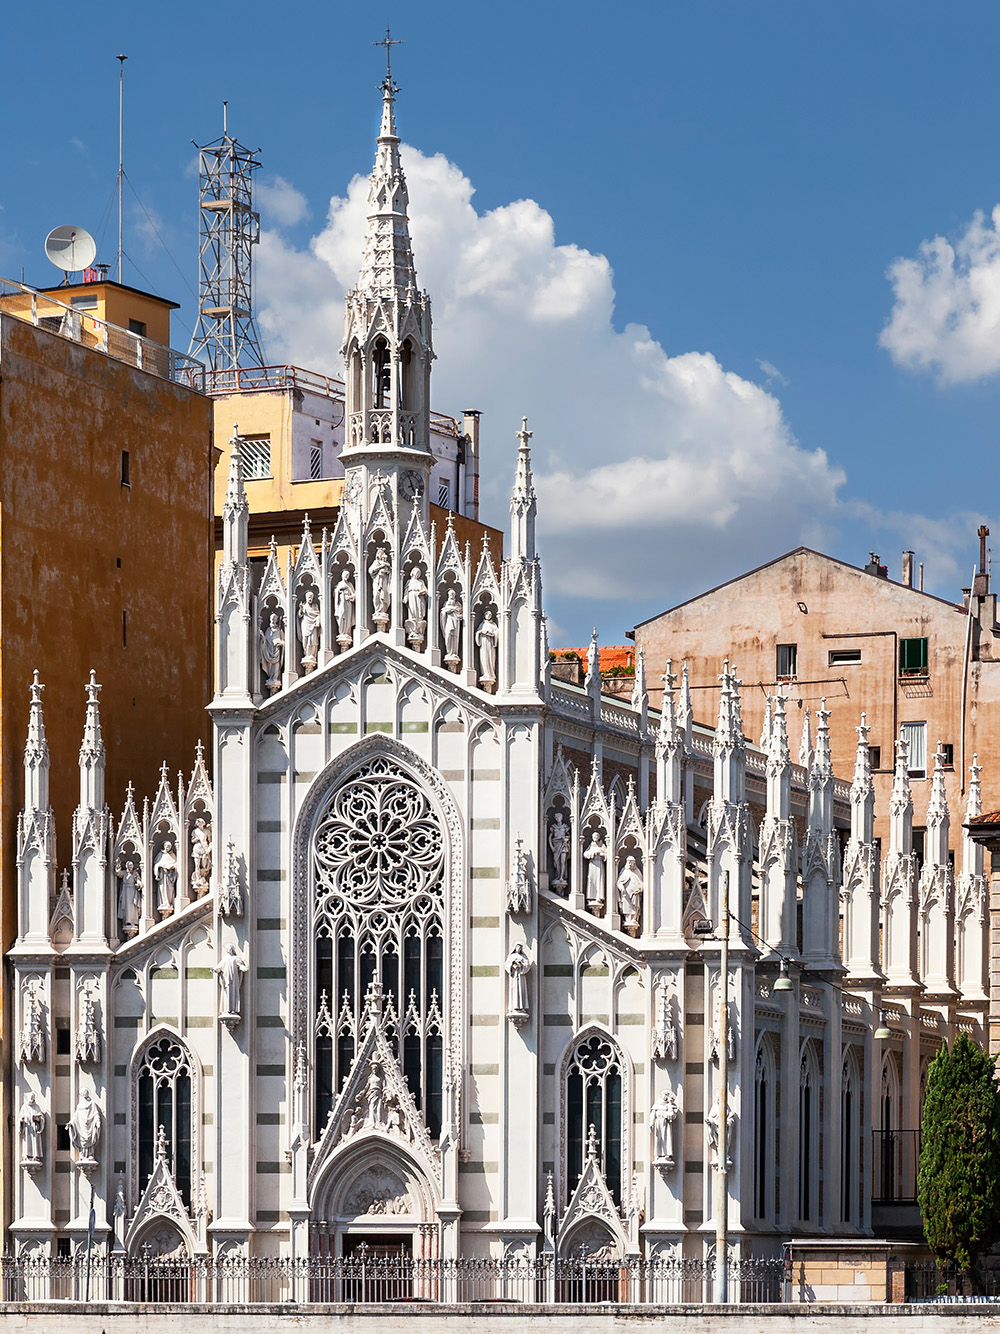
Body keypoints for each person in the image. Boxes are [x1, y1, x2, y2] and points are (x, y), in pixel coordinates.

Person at [213, 943, 248, 1019]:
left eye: (229, 949)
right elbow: (220, 966)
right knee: (226, 994)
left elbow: (240, 965)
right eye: (227, 949)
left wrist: (243, 967)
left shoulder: (236, 958)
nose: (229, 950)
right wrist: (215, 969)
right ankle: (226, 1010)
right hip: (226, 979)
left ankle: (233, 1010)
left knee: (233, 993)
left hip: (234, 979)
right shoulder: (225, 958)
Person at [68, 1088, 102, 1160]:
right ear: (81, 1094)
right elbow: (76, 1116)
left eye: (85, 1092)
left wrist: (97, 1121)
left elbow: (95, 1113)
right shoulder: (80, 1104)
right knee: (82, 1140)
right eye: (83, 1093)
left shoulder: (92, 1103)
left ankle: (90, 1154)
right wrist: (71, 1123)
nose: (84, 1093)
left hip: (90, 1124)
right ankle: (82, 1155)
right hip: (81, 1125)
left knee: (90, 1138)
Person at [651, 1090, 679, 1166]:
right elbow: (652, 1114)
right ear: (661, 1095)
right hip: (658, 1123)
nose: (666, 1097)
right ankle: (658, 1154)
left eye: (667, 1095)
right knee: (659, 1139)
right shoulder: (657, 1104)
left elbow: (672, 1116)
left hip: (666, 1124)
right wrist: (651, 1123)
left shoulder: (669, 1105)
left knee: (666, 1138)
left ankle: (667, 1154)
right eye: (665, 1095)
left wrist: (670, 1106)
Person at [583, 830, 608, 914]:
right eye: (594, 836)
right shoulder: (591, 845)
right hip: (592, 864)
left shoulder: (602, 845)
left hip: (599, 864)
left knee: (599, 881)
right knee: (591, 880)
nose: (596, 838)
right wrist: (593, 853)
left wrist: (601, 854)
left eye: (597, 836)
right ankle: (591, 897)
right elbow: (585, 854)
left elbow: (607, 854)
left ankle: (598, 897)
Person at [259, 611, 285, 690]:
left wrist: (281, 643)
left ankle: (274, 678)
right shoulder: (268, 630)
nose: (273, 620)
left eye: (274, 618)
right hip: (268, 652)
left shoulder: (279, 630)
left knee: (276, 668)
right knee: (270, 667)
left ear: (277, 620)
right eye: (272, 618)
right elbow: (266, 641)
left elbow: (284, 641)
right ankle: (271, 678)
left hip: (276, 652)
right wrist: (263, 638)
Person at [116, 857, 141, 936]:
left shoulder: (135, 873)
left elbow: (139, 881)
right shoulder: (124, 873)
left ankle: (133, 921)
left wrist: (139, 884)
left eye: (131, 866)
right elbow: (118, 873)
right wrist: (118, 865)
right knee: (126, 907)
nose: (130, 868)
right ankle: (127, 921)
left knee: (132, 906)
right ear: (126, 866)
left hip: (132, 891)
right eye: (129, 866)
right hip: (125, 891)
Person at [617, 855, 643, 931]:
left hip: (635, 892)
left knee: (636, 905)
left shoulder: (637, 871)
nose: (632, 864)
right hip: (626, 892)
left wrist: (639, 888)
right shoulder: (624, 871)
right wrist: (622, 888)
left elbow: (641, 882)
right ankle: (628, 919)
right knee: (627, 906)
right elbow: (619, 882)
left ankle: (634, 918)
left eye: (633, 862)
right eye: (630, 863)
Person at [505, 942, 531, 1017]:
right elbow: (506, 965)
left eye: (520, 948)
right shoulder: (511, 956)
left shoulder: (523, 956)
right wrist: (512, 964)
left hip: (521, 976)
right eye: (517, 947)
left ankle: (521, 1007)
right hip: (514, 976)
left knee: (521, 990)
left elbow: (527, 966)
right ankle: (514, 1007)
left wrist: (521, 965)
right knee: (514, 990)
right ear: (515, 948)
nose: (518, 949)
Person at [298, 587, 321, 671]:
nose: (310, 599)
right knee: (305, 640)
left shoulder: (315, 606)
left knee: (313, 639)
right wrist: (300, 609)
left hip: (313, 625)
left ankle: (312, 654)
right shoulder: (303, 606)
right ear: (306, 598)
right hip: (305, 624)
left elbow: (318, 614)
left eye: (311, 597)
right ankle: (307, 654)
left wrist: (317, 620)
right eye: (309, 597)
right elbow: (299, 616)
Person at [18, 1092, 44, 1165]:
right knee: (27, 1142)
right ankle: (27, 1156)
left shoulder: (37, 1107)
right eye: (30, 1099)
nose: (31, 1101)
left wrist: (38, 1119)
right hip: (27, 1128)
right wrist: (21, 1120)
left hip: (34, 1128)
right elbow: (20, 1117)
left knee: (35, 1141)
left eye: (33, 1099)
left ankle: (35, 1156)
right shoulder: (24, 1107)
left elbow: (41, 1117)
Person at [153, 840, 178, 916]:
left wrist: (172, 867)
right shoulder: (160, 855)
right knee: (162, 889)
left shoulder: (173, 855)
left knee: (170, 890)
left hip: (169, 876)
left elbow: (176, 864)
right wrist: (160, 867)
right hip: (162, 877)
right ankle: (163, 903)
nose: (168, 847)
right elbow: (156, 864)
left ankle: (169, 903)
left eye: (169, 846)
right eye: (167, 846)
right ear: (164, 846)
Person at [475, 609, 499, 686]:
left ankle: (490, 674)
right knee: (484, 658)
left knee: (490, 658)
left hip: (491, 644)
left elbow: (496, 634)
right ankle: (485, 673)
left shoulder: (494, 625)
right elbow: (477, 632)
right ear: (484, 615)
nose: (488, 616)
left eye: (490, 614)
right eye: (487, 614)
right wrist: (481, 632)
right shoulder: (482, 625)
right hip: (483, 643)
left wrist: (492, 634)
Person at [404, 566, 428, 638]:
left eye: (419, 573)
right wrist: (406, 597)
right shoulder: (409, 582)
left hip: (419, 598)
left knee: (419, 612)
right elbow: (406, 591)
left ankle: (418, 626)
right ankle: (413, 629)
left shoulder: (421, 582)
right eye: (416, 572)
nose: (417, 574)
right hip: (412, 596)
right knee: (413, 610)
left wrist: (422, 592)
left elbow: (426, 590)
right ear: (412, 573)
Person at [440, 588, 463, 663]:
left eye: (453, 594)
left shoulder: (458, 604)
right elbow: (443, 612)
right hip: (449, 621)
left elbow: (461, 614)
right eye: (450, 594)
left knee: (455, 637)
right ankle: (449, 652)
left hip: (455, 622)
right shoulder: (446, 604)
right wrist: (450, 609)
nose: (451, 595)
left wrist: (459, 615)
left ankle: (453, 653)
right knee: (448, 635)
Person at [369, 547, 392, 623]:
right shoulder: (376, 562)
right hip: (377, 581)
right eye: (379, 553)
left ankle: (383, 610)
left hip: (384, 582)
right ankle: (378, 610)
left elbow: (390, 572)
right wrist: (380, 567)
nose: (380, 555)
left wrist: (387, 570)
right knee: (376, 595)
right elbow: (371, 570)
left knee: (384, 595)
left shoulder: (386, 564)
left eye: (381, 553)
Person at [548, 812, 570, 889]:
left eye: (559, 817)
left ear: (562, 817)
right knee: (556, 862)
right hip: (556, 845)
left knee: (563, 861)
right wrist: (552, 847)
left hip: (563, 845)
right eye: (557, 818)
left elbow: (569, 835)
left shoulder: (565, 827)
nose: (558, 819)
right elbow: (550, 838)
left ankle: (561, 877)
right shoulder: (553, 827)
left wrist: (566, 839)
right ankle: (557, 875)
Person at [191, 817, 213, 894]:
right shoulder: (195, 831)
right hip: (197, 848)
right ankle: (197, 879)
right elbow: (192, 840)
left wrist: (209, 849)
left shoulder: (207, 831)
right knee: (197, 865)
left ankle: (203, 878)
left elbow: (210, 841)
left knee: (205, 866)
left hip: (205, 849)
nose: (198, 824)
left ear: (202, 823)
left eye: (199, 822)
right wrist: (196, 839)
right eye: (197, 823)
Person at [334, 568, 356, 643]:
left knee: (348, 618)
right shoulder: (339, 584)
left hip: (348, 604)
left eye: (347, 575)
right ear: (342, 575)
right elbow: (335, 593)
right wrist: (339, 591)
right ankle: (341, 632)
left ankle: (346, 632)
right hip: (341, 604)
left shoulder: (350, 585)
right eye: (345, 574)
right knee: (341, 616)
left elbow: (354, 594)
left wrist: (349, 597)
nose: (346, 576)